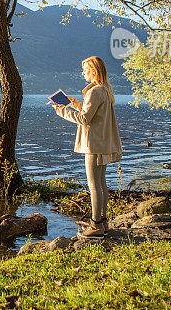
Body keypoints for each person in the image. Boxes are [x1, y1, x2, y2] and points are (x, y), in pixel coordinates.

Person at [48, 56, 122, 238]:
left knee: (94, 185)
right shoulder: (104, 89)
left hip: (94, 144)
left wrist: (61, 110)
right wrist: (73, 102)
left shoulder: (95, 91)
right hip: (102, 142)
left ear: (94, 71)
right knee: (101, 183)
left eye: (85, 70)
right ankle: (103, 222)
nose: (83, 73)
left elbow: (84, 119)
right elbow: (93, 112)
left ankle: (96, 225)